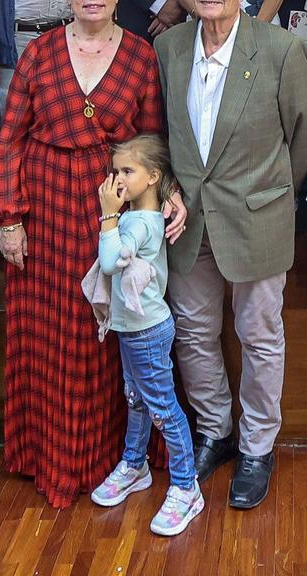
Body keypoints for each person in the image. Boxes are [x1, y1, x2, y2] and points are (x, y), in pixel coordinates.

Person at [0, 0, 167, 508]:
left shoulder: (141, 55)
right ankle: (52, 459)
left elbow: (151, 143)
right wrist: (10, 216)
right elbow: (11, 139)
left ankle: (115, 458)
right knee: (51, 337)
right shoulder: (40, 52)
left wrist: (144, 215)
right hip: (44, 214)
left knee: (109, 334)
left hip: (110, 210)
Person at [155, 0, 307, 510]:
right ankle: (217, 431)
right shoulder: (168, 47)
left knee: (260, 337)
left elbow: (303, 138)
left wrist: (267, 194)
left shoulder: (280, 48)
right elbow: (163, 132)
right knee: (194, 332)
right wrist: (171, 190)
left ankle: (257, 447)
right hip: (187, 218)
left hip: (257, 217)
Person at [89, 135, 205, 536]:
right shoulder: (137, 216)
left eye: (127, 171)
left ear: (154, 177)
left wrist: (107, 215)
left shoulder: (139, 222)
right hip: (131, 329)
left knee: (163, 409)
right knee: (136, 400)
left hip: (147, 332)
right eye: (115, 170)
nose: (117, 179)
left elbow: (108, 262)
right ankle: (134, 464)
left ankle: (187, 487)